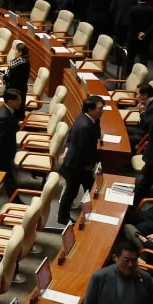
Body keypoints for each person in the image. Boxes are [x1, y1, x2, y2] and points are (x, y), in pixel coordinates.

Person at [56, 96, 104, 226]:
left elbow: (73, 135)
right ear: (90, 109)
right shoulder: (85, 126)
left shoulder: (88, 118)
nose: (102, 110)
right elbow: (84, 149)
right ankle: (63, 217)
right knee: (72, 191)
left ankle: (92, 211)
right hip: (77, 164)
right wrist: (88, 164)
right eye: (100, 108)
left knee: (90, 186)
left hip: (78, 162)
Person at [0, 89, 23, 194]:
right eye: (18, 100)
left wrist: (16, 123)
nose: (20, 102)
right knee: (8, 177)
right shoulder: (4, 117)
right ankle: (16, 201)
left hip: (2, 149)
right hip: (1, 152)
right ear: (10, 102)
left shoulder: (6, 109)